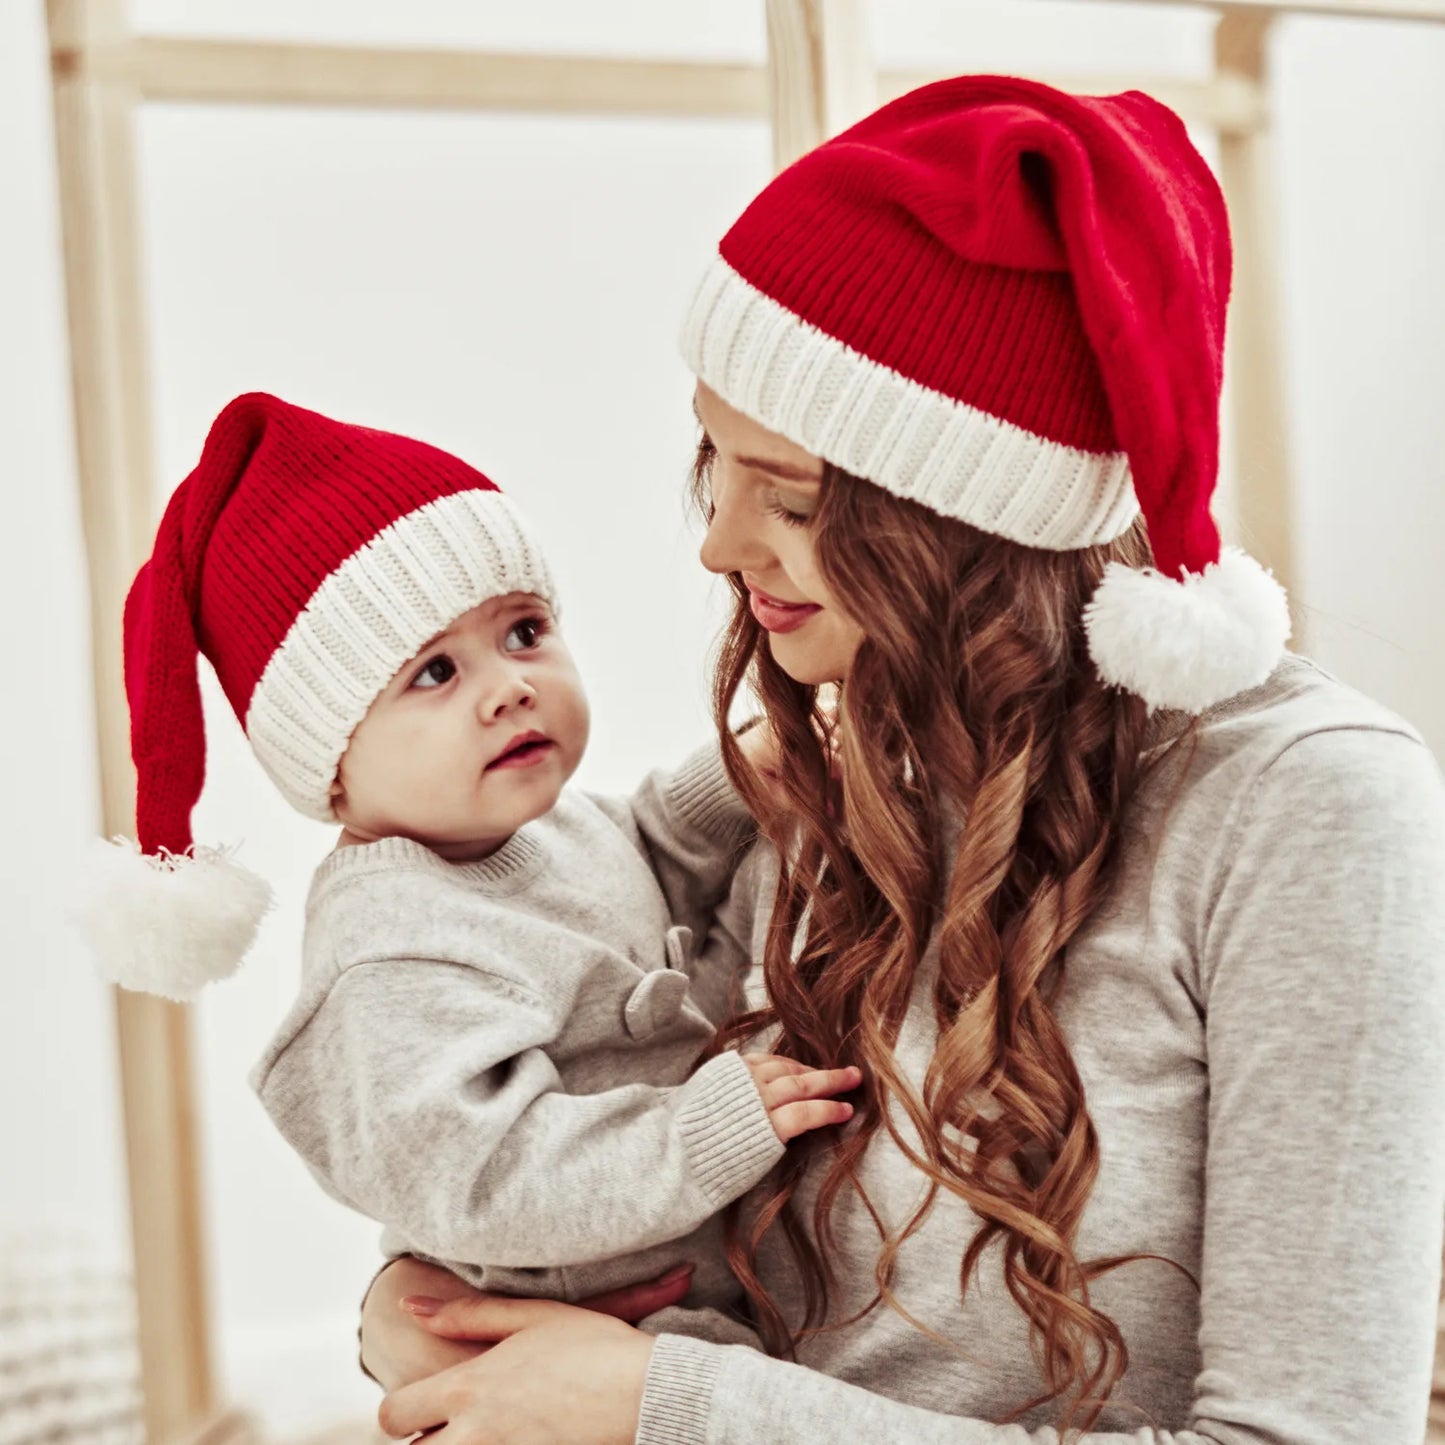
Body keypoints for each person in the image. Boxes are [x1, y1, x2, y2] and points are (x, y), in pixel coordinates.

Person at [356, 75, 1445, 1443]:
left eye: (795, 499)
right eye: (717, 465)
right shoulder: (817, 773)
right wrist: (429, 1299)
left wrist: (674, 1410)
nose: (718, 544)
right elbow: (616, 1165)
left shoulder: (1306, 804)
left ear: (966, 521)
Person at [77, 392, 860, 1338]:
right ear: (328, 755)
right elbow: (484, 1174)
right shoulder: (389, 958)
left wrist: (743, 773)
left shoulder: (526, 833)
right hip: (581, 1322)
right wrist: (697, 1130)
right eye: (435, 674)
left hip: (697, 1282)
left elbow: (645, 851)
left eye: (524, 631)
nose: (509, 688)